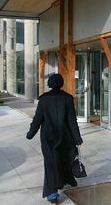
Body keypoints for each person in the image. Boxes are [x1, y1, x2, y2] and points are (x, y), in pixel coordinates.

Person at [26, 74, 83, 204]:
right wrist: (77, 138)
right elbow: (72, 121)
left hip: (48, 139)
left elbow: (37, 119)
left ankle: (53, 197)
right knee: (63, 161)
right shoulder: (68, 99)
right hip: (65, 137)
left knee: (50, 165)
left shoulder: (44, 100)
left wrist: (30, 133)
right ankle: (62, 183)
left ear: (50, 84)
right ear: (61, 83)